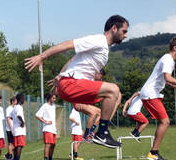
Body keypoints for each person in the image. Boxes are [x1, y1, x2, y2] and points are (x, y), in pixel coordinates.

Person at [25, 15, 129, 148]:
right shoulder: (98, 40)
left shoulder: (103, 47)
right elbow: (68, 44)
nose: (125, 35)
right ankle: (101, 133)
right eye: (124, 31)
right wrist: (42, 56)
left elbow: (73, 59)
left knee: (117, 95)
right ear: (114, 28)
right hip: (71, 84)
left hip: (73, 85)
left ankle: (103, 131)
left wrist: (59, 75)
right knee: (113, 89)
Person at [35, 92, 58, 160]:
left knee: (53, 145)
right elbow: (37, 115)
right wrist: (45, 121)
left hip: (53, 129)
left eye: (55, 98)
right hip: (47, 129)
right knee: (48, 145)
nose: (55, 99)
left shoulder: (53, 106)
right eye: (53, 98)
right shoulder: (44, 106)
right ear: (49, 98)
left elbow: (53, 117)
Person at [10, 93, 26, 160]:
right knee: (20, 146)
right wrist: (22, 122)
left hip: (15, 129)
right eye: (23, 98)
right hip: (19, 129)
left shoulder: (15, 107)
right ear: (21, 99)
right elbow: (18, 115)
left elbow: (11, 117)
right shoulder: (19, 107)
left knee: (17, 146)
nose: (24, 100)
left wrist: (16, 122)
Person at [4, 96, 17, 160]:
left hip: (14, 128)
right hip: (9, 129)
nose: (17, 102)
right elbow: (8, 119)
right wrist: (11, 128)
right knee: (10, 143)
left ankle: (8, 155)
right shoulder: (9, 108)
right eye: (16, 101)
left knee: (14, 143)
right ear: (12, 102)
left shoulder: (15, 108)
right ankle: (10, 157)